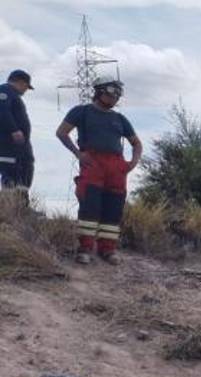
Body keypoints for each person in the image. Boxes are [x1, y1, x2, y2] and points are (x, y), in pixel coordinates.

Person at [56, 76, 143, 265]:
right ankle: (85, 249)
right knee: (90, 205)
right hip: (93, 162)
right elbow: (62, 132)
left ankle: (108, 250)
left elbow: (136, 143)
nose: (115, 97)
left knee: (113, 208)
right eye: (112, 92)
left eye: (118, 94)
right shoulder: (82, 112)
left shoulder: (120, 119)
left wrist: (132, 163)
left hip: (116, 166)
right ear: (99, 91)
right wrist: (78, 154)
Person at [0, 70, 34, 198]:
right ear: (20, 82)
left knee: (24, 170)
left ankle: (21, 204)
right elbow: (2, 111)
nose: (26, 90)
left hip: (20, 147)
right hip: (9, 145)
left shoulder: (13, 95)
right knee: (11, 173)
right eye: (26, 86)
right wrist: (13, 130)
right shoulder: (5, 91)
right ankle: (10, 204)